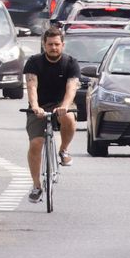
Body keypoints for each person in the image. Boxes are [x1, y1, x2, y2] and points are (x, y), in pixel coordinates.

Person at [22, 26, 80, 203]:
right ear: (44, 45)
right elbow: (32, 86)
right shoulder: (34, 62)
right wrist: (35, 106)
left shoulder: (71, 63)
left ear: (62, 44)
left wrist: (64, 105)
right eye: (50, 44)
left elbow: (71, 88)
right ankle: (36, 186)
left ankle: (63, 150)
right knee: (36, 143)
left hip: (62, 104)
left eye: (57, 44)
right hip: (39, 106)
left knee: (68, 117)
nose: (53, 48)